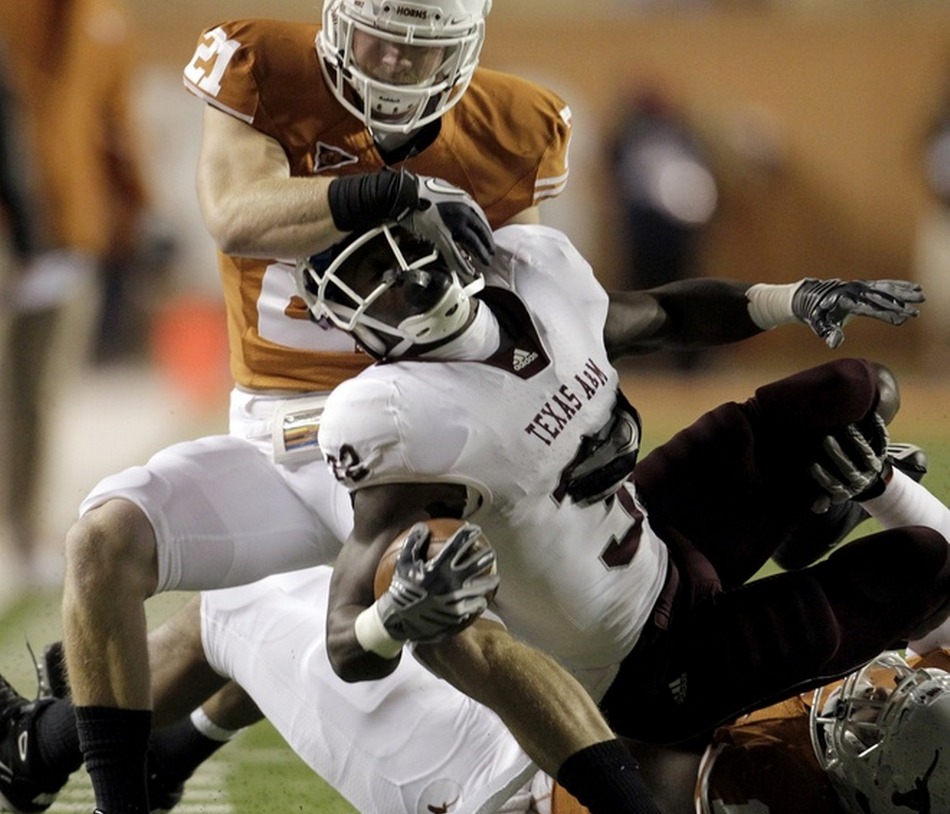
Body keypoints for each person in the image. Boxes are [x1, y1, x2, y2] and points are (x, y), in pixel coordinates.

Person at [57, 0, 576, 811]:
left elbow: (535, 318)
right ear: (337, 22)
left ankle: (614, 791)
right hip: (279, 433)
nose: (395, 65)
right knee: (109, 542)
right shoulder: (265, 69)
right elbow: (235, 216)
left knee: (442, 612)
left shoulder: (510, 125)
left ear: (465, 49)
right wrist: (395, 193)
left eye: (420, 49)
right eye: (380, 38)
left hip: (413, 438)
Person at [296, 218, 945, 811]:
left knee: (856, 391)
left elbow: (664, 314)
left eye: (392, 262)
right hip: (639, 665)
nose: (392, 287)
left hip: (658, 533)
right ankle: (686, 734)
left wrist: (791, 298)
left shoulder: (532, 277)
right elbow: (345, 638)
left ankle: (809, 527)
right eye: (365, 285)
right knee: (928, 564)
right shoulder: (405, 418)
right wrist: (393, 618)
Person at [0, 0, 152, 592]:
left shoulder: (103, 20)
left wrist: (138, 210)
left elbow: (115, 122)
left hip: (68, 228)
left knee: (36, 393)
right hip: (13, 228)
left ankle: (25, 533)